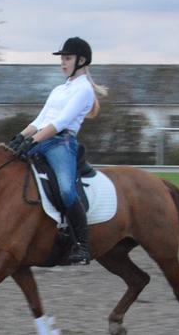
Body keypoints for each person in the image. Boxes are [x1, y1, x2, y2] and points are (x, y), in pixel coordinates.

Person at [8, 36, 107, 265]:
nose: (62, 62)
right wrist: (20, 137)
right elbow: (41, 118)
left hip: (61, 144)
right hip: (41, 138)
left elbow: (61, 122)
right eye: (62, 58)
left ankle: (82, 244)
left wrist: (33, 141)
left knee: (65, 191)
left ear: (81, 60)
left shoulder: (84, 90)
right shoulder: (59, 90)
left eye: (67, 58)